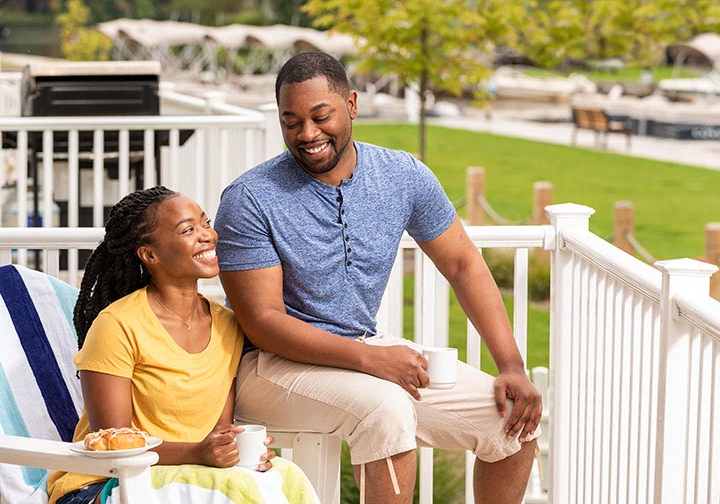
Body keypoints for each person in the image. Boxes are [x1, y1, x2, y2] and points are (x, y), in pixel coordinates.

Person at [215, 52, 542, 504]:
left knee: (511, 420)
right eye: (291, 121)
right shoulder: (250, 197)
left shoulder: (401, 175)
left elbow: (463, 264)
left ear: (351, 104)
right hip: (268, 367)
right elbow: (263, 323)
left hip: (363, 351)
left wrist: (511, 366)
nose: (307, 134)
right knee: (384, 408)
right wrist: (373, 360)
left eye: (319, 116)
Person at [48, 187, 278, 504]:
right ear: (149, 254)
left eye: (205, 223)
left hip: (188, 478)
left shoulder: (228, 325)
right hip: (103, 486)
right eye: (188, 230)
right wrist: (198, 453)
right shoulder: (117, 325)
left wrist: (233, 450)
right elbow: (114, 444)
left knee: (284, 477)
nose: (207, 236)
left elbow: (219, 430)